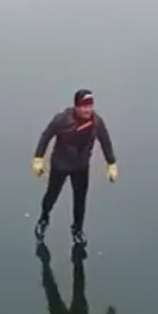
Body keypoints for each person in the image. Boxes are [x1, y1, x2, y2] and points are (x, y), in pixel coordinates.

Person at [32, 89, 117, 247]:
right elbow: (46, 136)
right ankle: (44, 218)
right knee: (52, 195)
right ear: (76, 107)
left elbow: (105, 141)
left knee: (80, 200)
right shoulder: (62, 120)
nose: (87, 110)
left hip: (81, 167)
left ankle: (77, 229)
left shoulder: (96, 122)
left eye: (90, 106)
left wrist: (111, 163)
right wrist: (38, 158)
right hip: (60, 165)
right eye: (83, 106)